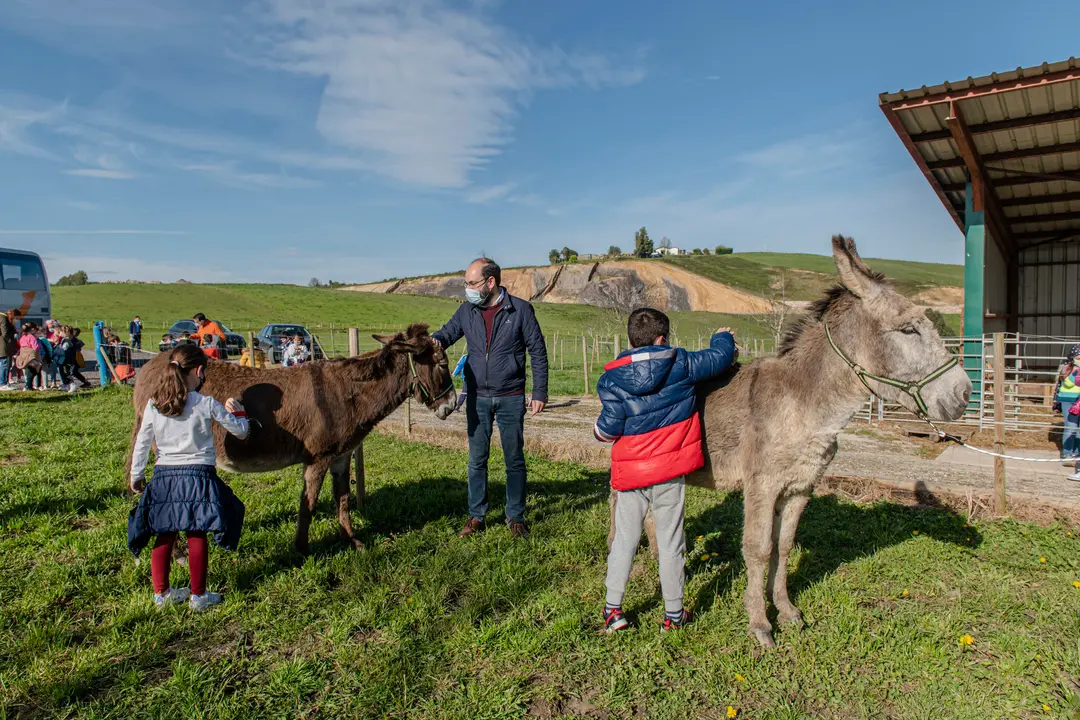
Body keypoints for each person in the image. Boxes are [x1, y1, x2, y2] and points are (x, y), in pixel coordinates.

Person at [594, 309, 737, 633]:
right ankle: (673, 616)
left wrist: (597, 431)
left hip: (631, 476)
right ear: (662, 339)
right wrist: (723, 336)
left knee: (626, 541)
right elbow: (718, 358)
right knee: (672, 543)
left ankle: (613, 610)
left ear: (631, 340)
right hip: (669, 472)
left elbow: (607, 429)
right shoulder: (681, 364)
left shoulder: (612, 378)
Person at [432, 258, 549, 540]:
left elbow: (538, 351)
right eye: (466, 283)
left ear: (490, 282)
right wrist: (433, 341)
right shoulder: (466, 312)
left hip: (510, 396)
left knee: (514, 459)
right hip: (476, 397)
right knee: (477, 459)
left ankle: (516, 516)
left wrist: (540, 391)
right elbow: (446, 335)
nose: (467, 289)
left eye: (472, 283)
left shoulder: (520, 310)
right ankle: (476, 515)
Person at [127, 343, 250, 611]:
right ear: (198, 370)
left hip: (164, 477)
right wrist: (238, 412)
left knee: (164, 534)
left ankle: (161, 594)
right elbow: (241, 431)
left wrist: (136, 475)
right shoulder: (205, 403)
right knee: (197, 534)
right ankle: (198, 595)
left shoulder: (154, 405)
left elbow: (143, 442)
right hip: (198, 477)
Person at [1057, 354, 1080, 461]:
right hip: (1068, 400)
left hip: (1078, 400)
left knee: (1078, 429)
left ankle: (1076, 452)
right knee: (1071, 426)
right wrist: (1076, 371)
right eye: (1079, 358)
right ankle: (1067, 452)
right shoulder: (1066, 368)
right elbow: (1069, 383)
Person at [57, 326, 90, 392]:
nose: (59, 333)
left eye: (60, 332)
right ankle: (68, 385)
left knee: (70, 372)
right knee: (72, 372)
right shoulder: (66, 339)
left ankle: (72, 385)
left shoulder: (69, 340)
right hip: (68, 359)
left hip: (70, 359)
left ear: (67, 332)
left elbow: (64, 349)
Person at [15, 324, 43, 391]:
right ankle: (28, 385)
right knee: (37, 367)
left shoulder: (22, 337)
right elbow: (35, 347)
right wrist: (39, 344)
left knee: (28, 370)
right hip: (31, 356)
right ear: (31, 329)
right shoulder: (31, 337)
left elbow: (20, 345)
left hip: (24, 356)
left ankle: (28, 386)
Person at [0, 309, 19, 388]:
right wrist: (11, 340)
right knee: (4, 365)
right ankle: (3, 383)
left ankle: (3, 382)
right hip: (3, 345)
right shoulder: (3, 318)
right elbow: (5, 333)